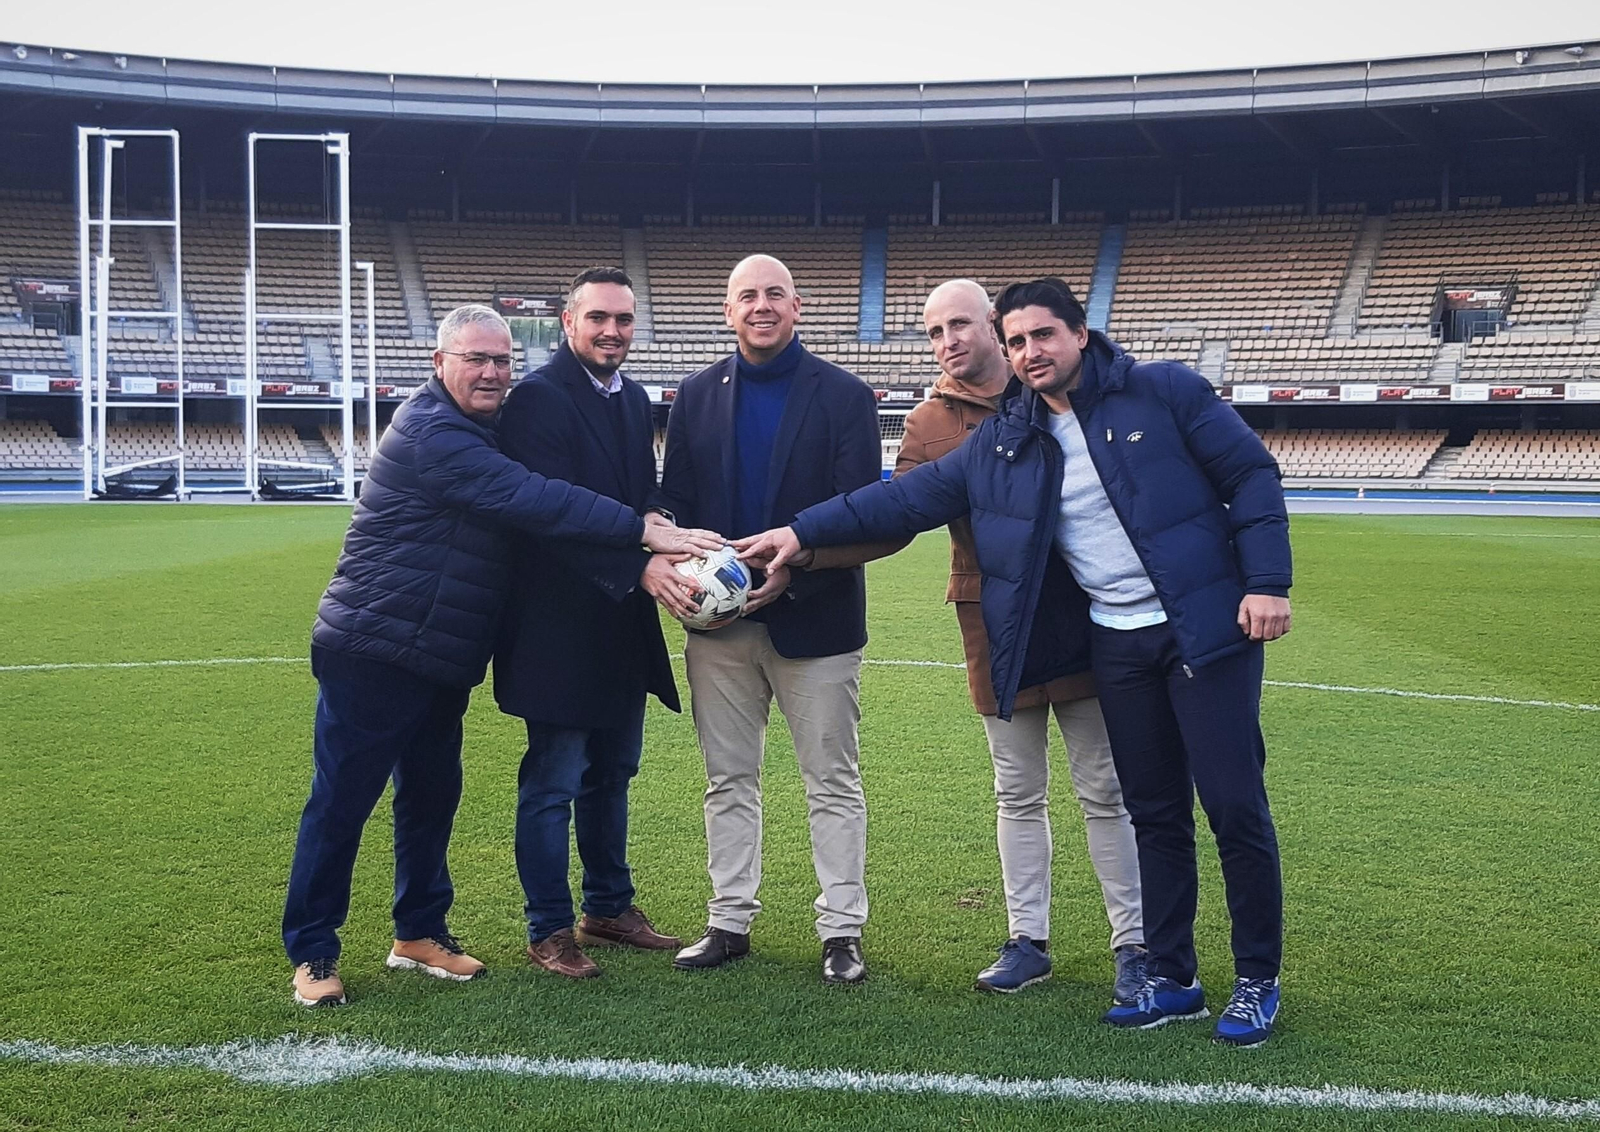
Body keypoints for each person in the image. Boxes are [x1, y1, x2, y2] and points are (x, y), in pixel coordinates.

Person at [739, 278, 1293, 1046]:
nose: (1033, 353)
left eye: (1045, 337)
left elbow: (1250, 474)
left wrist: (1267, 581)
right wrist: (797, 536)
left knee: (1232, 806)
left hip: (1204, 628)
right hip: (1117, 642)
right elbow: (903, 501)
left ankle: (1258, 979)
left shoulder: (1162, 391)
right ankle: (1174, 977)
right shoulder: (1008, 437)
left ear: (1080, 334)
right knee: (1156, 812)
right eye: (1021, 340)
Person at [284, 303, 721, 1008]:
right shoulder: (435, 434)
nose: (491, 373)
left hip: (440, 652)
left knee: (430, 799)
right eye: (475, 360)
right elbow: (533, 497)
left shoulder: (484, 427)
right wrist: (642, 532)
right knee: (341, 805)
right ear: (439, 364)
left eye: (500, 362)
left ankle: (418, 933)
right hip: (375, 646)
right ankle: (312, 950)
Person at [791, 279, 1146, 999]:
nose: (946, 341)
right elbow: (895, 515)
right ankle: (1027, 939)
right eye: (932, 331)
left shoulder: (1061, 392)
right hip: (992, 621)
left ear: (996, 326)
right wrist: (800, 552)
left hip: (1081, 613)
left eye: (959, 324)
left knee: (1105, 788)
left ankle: (1134, 943)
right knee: (1016, 790)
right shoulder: (928, 423)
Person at [653, 254, 881, 984]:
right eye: (746, 296)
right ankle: (729, 920)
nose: (761, 306)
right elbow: (676, 503)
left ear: (797, 305)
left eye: (774, 294)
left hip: (815, 621)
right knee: (728, 779)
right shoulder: (693, 396)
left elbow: (859, 510)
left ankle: (841, 930)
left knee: (832, 781)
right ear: (728, 311)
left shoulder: (844, 396)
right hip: (718, 629)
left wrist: (796, 568)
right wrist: (677, 564)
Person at [494, 268, 694, 979]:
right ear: (569, 322)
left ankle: (608, 906)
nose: (613, 331)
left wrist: (663, 518)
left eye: (625, 319)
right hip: (557, 628)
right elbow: (545, 514)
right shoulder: (538, 401)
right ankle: (548, 927)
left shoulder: (633, 398)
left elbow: (638, 492)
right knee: (554, 781)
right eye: (599, 318)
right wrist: (637, 565)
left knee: (614, 771)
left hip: (618, 626)